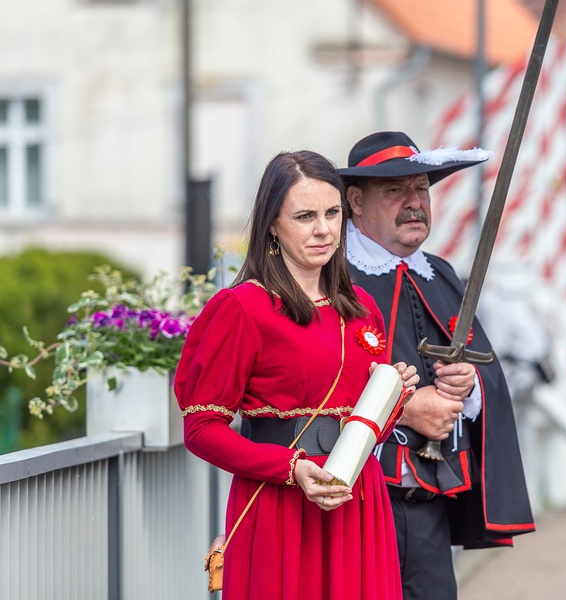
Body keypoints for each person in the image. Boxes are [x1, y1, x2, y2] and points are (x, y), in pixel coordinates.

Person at [174, 150, 419, 600]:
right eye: (305, 216)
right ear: (272, 223)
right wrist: (291, 468)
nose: (323, 230)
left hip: (357, 500)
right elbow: (201, 428)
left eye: (332, 213)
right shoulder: (241, 308)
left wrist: (392, 399)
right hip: (280, 502)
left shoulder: (362, 308)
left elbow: (371, 429)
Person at [339, 131, 535, 600]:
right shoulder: (332, 277)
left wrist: (468, 387)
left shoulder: (439, 274)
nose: (414, 203)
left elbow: (484, 369)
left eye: (421, 189)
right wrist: (405, 406)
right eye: (395, 190)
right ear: (355, 201)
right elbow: (310, 379)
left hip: (427, 502)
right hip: (352, 500)